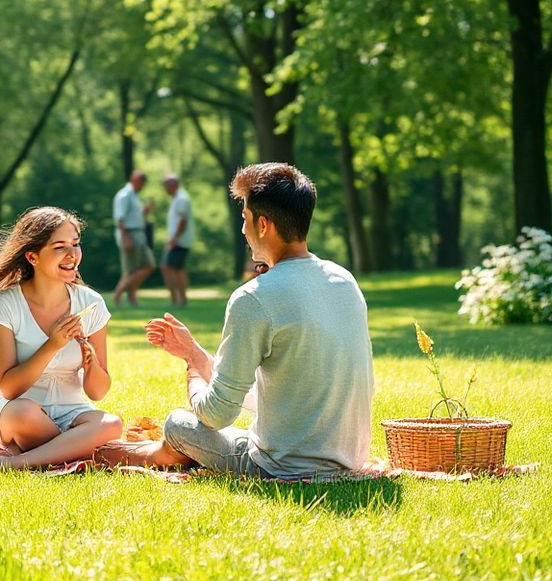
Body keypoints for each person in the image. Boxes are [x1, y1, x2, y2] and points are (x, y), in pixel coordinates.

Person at [97, 163, 374, 479]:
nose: (243, 231)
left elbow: (216, 415)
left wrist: (193, 376)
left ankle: (132, 454)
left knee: (177, 422)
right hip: (350, 457)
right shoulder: (344, 281)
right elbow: (282, 390)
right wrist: (194, 353)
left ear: (264, 225)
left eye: (245, 220)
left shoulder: (254, 296)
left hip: (281, 467)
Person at [0, 206, 123, 472]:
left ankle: (14, 462)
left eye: (75, 244)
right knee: (24, 413)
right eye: (59, 247)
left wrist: (92, 363)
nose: (72, 255)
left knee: (112, 425)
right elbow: (10, 388)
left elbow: (98, 392)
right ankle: (69, 450)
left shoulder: (91, 304)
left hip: (70, 412)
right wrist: (53, 344)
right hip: (14, 412)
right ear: (32, 256)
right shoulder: (4, 303)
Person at [111, 170, 155, 307]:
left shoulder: (135, 196)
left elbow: (133, 217)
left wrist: (144, 212)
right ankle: (118, 295)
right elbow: (120, 219)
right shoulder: (124, 195)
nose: (143, 186)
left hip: (139, 234)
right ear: (136, 180)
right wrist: (126, 239)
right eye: (142, 182)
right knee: (130, 270)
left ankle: (130, 296)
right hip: (129, 234)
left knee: (149, 265)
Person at [161, 174, 195, 307]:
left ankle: (178, 299)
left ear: (173, 185)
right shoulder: (178, 198)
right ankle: (179, 299)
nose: (165, 189)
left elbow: (182, 221)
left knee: (170, 268)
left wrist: (174, 239)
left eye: (166, 186)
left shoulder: (181, 198)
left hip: (180, 241)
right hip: (179, 240)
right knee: (175, 269)